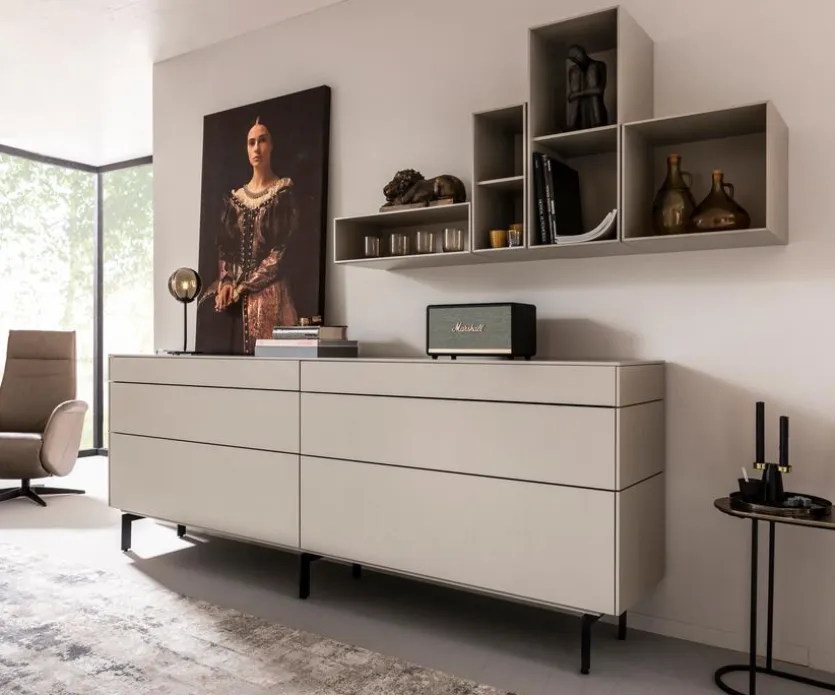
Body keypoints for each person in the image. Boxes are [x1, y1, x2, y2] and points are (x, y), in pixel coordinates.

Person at [200, 117, 299, 353]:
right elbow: (226, 248)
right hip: (234, 286)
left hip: (269, 287)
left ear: (271, 146)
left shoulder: (282, 193)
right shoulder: (236, 199)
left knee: (260, 313)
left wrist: (243, 287)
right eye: (251, 142)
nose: (256, 148)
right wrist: (226, 282)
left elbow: (279, 254)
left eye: (262, 141)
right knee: (208, 308)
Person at [566, 45, 608, 131]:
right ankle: (572, 124)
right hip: (579, 113)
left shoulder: (599, 65)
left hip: (595, 111)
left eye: (577, 56)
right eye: (572, 59)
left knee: (594, 99)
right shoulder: (572, 70)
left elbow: (599, 90)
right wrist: (574, 95)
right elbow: (571, 96)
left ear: (583, 51)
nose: (576, 60)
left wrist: (578, 94)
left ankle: (596, 122)